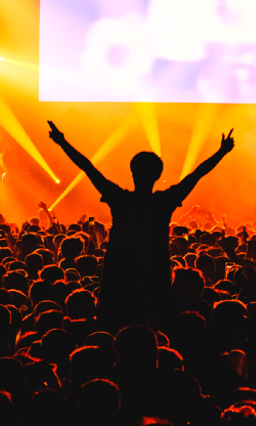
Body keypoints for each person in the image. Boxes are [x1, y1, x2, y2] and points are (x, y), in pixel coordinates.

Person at [47, 120, 234, 324]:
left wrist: (63, 143)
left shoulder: (120, 199)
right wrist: (221, 152)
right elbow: (196, 174)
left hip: (118, 279)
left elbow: (88, 168)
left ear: (132, 172)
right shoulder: (164, 202)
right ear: (158, 175)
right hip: (153, 279)